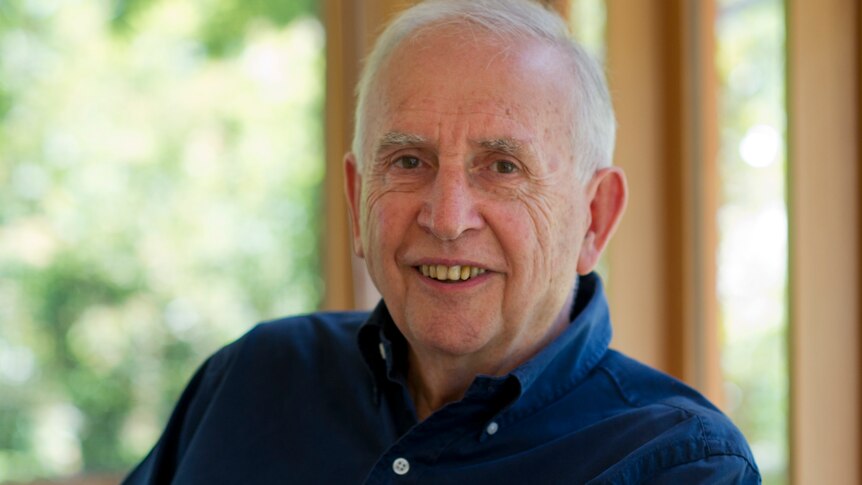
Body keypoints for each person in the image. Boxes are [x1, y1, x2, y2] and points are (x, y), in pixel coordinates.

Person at [124, 0, 760, 483]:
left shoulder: (678, 463)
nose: (448, 218)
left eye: (503, 167)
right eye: (407, 161)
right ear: (356, 199)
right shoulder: (254, 379)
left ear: (593, 218)